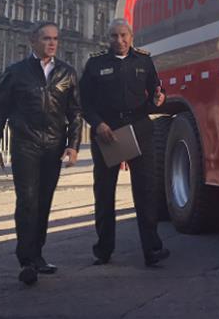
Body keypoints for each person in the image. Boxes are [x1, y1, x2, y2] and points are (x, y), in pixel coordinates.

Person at [0, 21, 82, 286]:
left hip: (53, 146)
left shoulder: (67, 73)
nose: (51, 43)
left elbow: (75, 112)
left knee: (44, 201)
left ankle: (38, 254)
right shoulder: (16, 73)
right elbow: (0, 111)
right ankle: (26, 259)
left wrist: (73, 145)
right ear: (33, 41)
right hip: (25, 144)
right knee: (27, 200)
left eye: (55, 39)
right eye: (46, 38)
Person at [79, 18, 169, 267]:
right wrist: (98, 125)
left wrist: (159, 100)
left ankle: (152, 249)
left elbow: (155, 92)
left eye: (123, 36)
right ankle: (104, 250)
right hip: (108, 132)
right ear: (107, 39)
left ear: (131, 36)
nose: (119, 41)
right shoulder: (96, 64)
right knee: (105, 193)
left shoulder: (144, 60)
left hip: (139, 128)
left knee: (147, 191)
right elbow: (84, 102)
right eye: (113, 36)